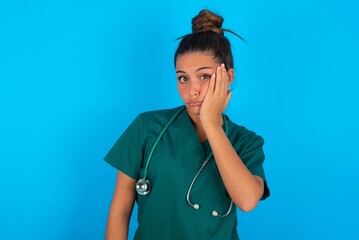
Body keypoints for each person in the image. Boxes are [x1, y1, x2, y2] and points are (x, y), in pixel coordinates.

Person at [104, 9, 270, 240]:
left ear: (228, 77)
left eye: (204, 76)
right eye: (183, 78)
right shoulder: (147, 128)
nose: (192, 90)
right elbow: (120, 212)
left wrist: (211, 123)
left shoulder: (246, 141)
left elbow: (248, 200)